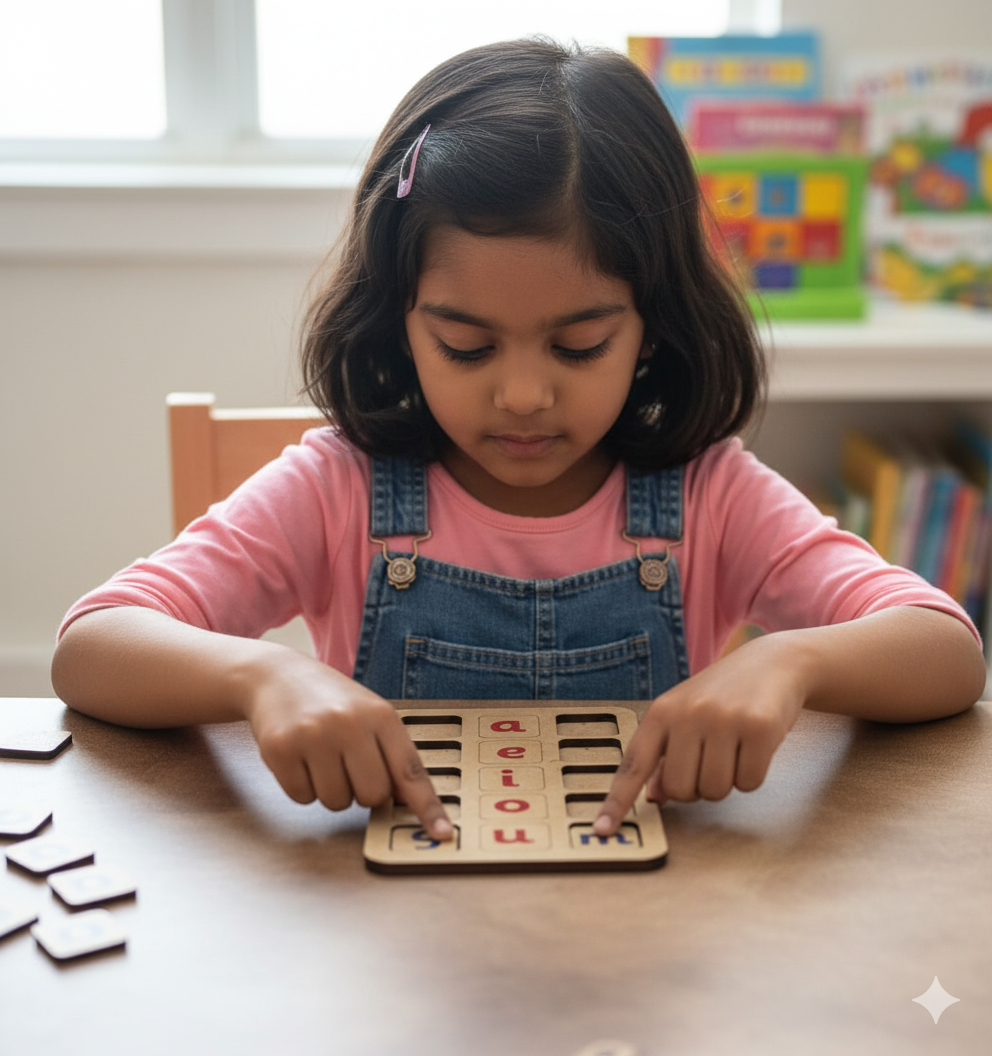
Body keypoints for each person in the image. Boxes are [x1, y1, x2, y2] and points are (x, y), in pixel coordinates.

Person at [52, 39, 987, 844]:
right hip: (386, 939)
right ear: (398, 320)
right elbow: (93, 645)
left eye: (580, 345)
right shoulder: (340, 486)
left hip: (660, 936)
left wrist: (790, 660)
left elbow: (946, 649)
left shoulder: (706, 492)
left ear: (652, 324)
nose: (525, 394)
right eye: (466, 345)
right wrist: (261, 676)